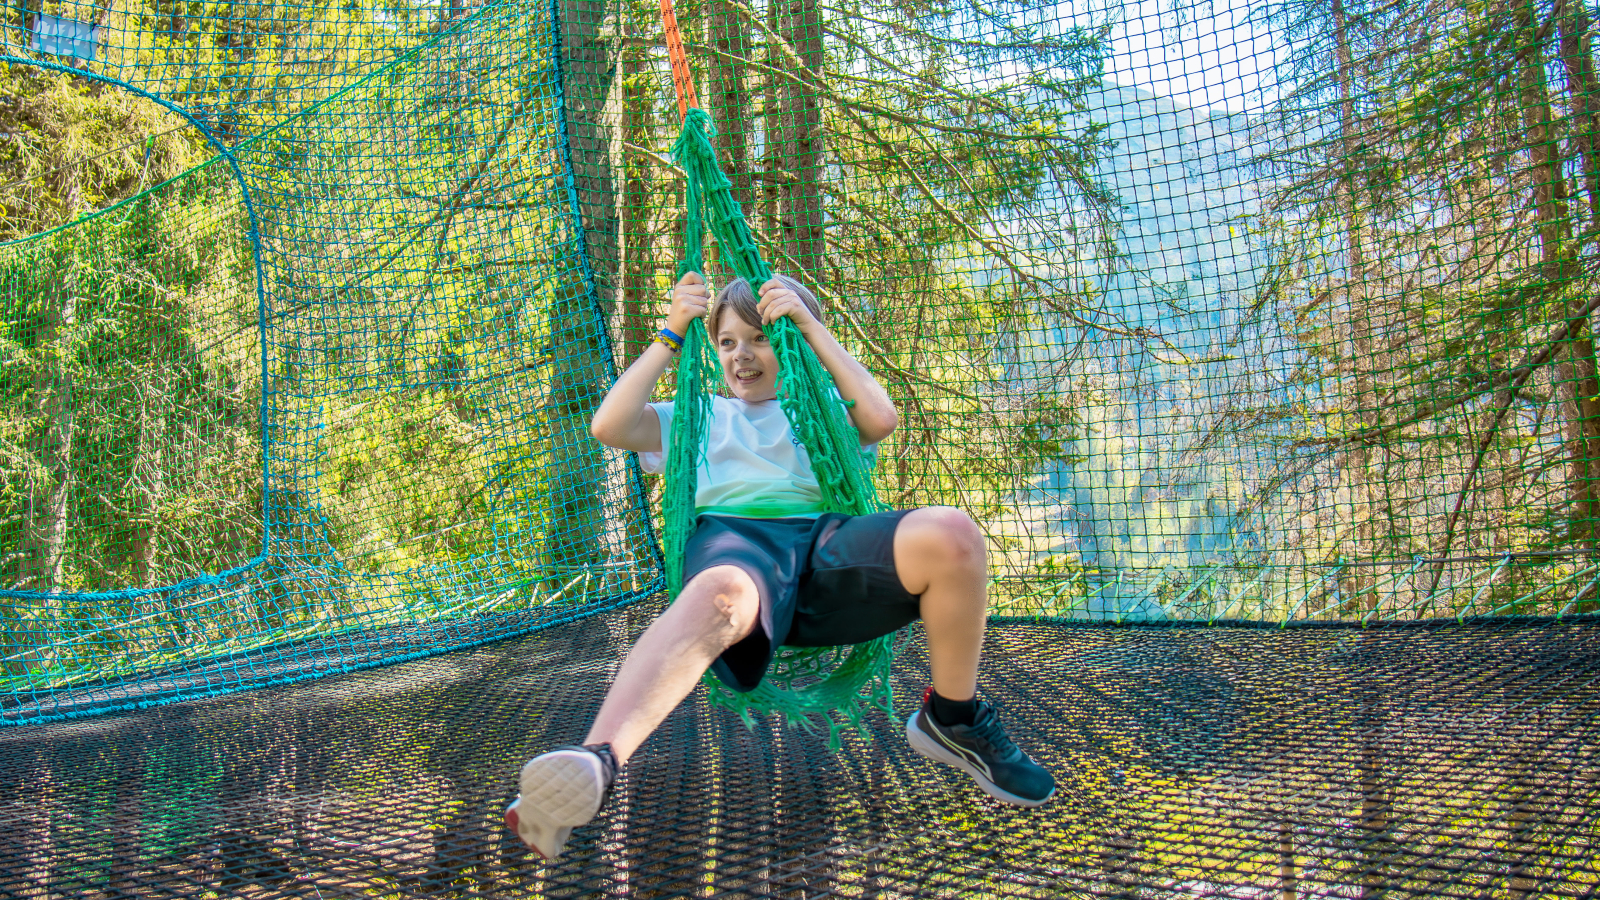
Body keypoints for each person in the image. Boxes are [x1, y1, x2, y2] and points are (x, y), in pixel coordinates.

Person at [505, 272, 1055, 859]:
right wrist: (671, 333)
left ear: (789, 342)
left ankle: (954, 717)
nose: (742, 354)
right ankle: (598, 761)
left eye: (761, 338)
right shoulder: (696, 416)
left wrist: (812, 328)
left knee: (954, 535)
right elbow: (608, 426)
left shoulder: (817, 415)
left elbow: (881, 417)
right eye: (727, 342)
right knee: (722, 592)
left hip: (822, 553)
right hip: (737, 548)